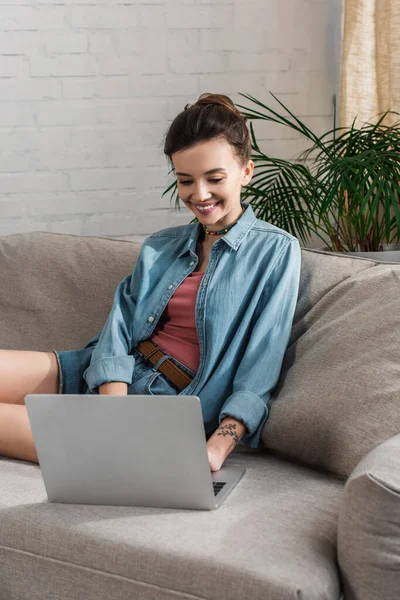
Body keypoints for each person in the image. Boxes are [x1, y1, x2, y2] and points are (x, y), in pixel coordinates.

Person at [0, 93, 301, 472]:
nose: (200, 194)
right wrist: (115, 406)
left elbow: (261, 364)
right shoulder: (162, 246)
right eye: (185, 180)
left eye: (215, 178)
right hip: (105, 373)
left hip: (165, 403)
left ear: (246, 172)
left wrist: (217, 448)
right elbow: (120, 324)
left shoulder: (275, 252)